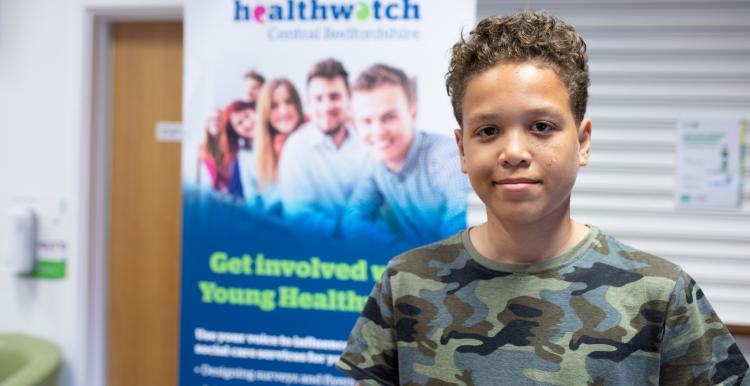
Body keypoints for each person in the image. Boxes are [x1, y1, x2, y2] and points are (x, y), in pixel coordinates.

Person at [336, 11, 749, 385]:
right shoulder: (405, 283)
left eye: (541, 126)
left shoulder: (659, 294)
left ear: (582, 142)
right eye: (488, 131)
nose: (513, 152)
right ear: (462, 150)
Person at [341, 63, 469, 248]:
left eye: (389, 117)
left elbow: (458, 224)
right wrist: (395, 248)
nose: (378, 131)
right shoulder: (377, 164)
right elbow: (352, 221)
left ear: (413, 113)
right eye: (366, 121)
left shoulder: (446, 157)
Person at [278, 58, 367, 237]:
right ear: (308, 103)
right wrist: (347, 233)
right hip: (317, 256)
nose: (326, 107)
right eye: (318, 99)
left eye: (334, 97)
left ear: (348, 99)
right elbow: (298, 217)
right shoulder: (296, 148)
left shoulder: (366, 143)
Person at [254, 78, 304, 213]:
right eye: (274, 105)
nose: (283, 111)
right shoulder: (265, 150)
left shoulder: (314, 137)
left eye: (289, 102)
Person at [224, 100, 258, 201]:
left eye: (247, 116)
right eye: (239, 123)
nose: (247, 124)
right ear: (235, 132)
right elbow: (250, 193)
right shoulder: (244, 155)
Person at [197, 108, 234, 193]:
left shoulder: (233, 148)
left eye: (218, 119)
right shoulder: (201, 150)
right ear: (207, 124)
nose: (215, 122)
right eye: (211, 119)